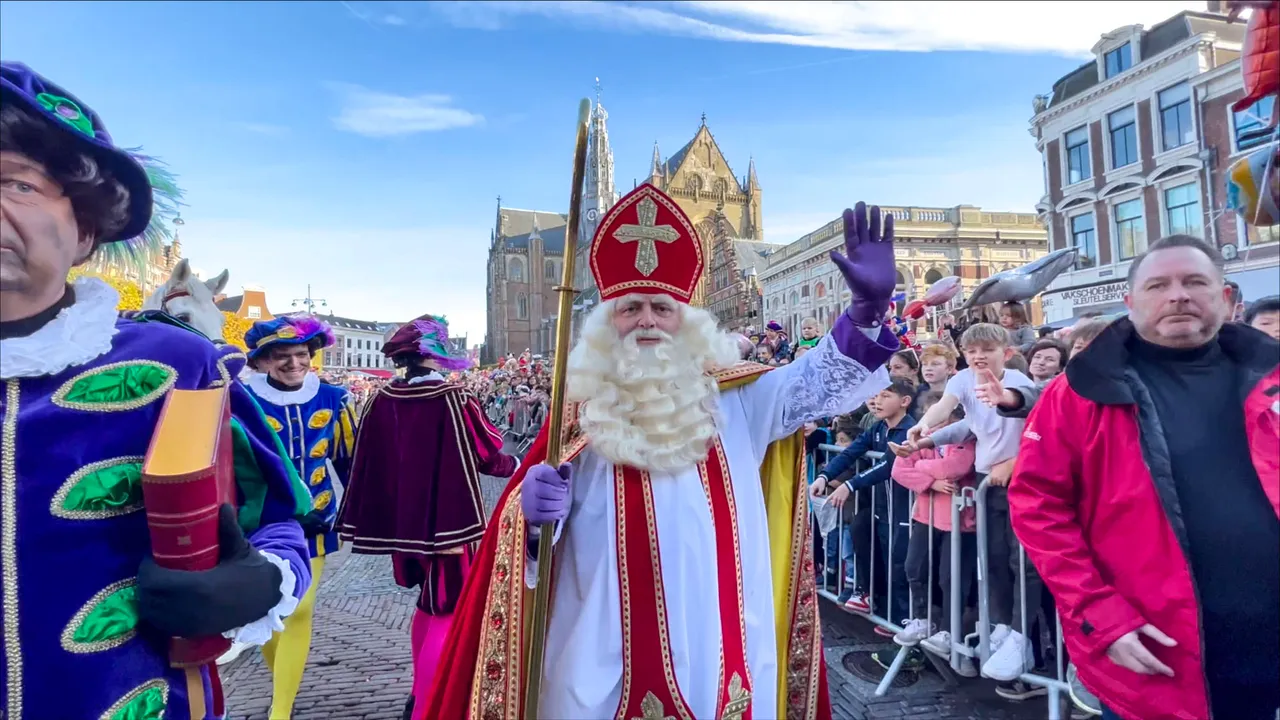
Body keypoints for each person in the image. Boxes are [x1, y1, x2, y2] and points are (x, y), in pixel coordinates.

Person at [424, 190, 900, 720]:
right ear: (607, 324)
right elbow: (530, 554)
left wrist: (865, 315)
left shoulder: (738, 399)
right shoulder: (576, 417)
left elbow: (814, 386)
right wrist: (527, 520)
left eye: (662, 308)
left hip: (723, 649)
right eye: (630, 308)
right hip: (601, 663)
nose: (647, 320)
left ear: (687, 322)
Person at [1, 61, 311, 719]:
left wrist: (257, 581)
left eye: (16, 183)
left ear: (84, 228)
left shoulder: (185, 366)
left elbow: (279, 520)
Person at [1010, 234, 1280, 720]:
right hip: (1157, 658)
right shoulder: (1080, 392)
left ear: (1226, 297)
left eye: (1194, 281)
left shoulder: (1271, 378)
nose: (1178, 294)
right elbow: (1037, 506)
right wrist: (1098, 614)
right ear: (1131, 302)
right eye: (1159, 285)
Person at [337, 313, 517, 719]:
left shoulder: (382, 398)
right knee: (448, 610)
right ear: (435, 356)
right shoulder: (453, 399)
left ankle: (418, 693)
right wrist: (521, 465)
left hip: (404, 526)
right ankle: (428, 708)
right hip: (448, 525)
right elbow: (489, 456)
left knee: (427, 604)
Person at [906, 323, 1036, 689]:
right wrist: (922, 430)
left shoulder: (1020, 384)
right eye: (972, 350)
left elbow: (1029, 417)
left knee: (1020, 561)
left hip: (1020, 479)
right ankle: (1005, 626)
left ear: (1006, 353)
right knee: (993, 559)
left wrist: (1014, 460)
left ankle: (1024, 638)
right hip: (985, 482)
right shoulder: (962, 380)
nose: (978, 356)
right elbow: (953, 414)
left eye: (987, 350)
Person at [243, 314, 358, 719]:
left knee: (299, 608)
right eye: (281, 356)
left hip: (315, 523)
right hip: (258, 525)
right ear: (259, 361)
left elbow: (350, 461)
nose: (294, 363)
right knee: (267, 607)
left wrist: (355, 513)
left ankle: (280, 710)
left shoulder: (335, 398)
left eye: (302, 354)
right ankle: (283, 683)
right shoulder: (242, 400)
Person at [811, 380, 916, 621]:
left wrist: (849, 485)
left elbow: (888, 465)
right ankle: (877, 602)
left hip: (901, 508)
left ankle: (901, 619)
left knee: (899, 565)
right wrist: (825, 476)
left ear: (904, 401)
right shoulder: (878, 428)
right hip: (880, 506)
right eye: (876, 395)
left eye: (885, 395)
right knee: (866, 537)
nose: (877, 401)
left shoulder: (909, 431)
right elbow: (851, 453)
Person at [888, 390, 977, 675]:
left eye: (941, 420)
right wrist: (931, 482)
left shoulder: (966, 437)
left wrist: (922, 467)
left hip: (959, 521)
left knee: (950, 578)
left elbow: (957, 466)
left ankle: (951, 630)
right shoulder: (918, 439)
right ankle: (922, 617)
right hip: (925, 516)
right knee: (914, 567)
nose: (934, 428)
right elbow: (899, 471)